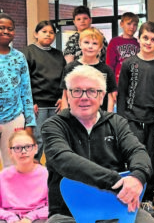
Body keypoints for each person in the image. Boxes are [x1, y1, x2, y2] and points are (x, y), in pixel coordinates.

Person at [40, 65, 154, 223]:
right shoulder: (54, 126)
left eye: (91, 91)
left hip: (120, 206)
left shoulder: (116, 122)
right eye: (77, 91)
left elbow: (138, 152)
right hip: (68, 215)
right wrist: (118, 182)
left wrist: (138, 176)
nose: (84, 97)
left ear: (102, 95)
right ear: (67, 95)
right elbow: (64, 160)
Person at [117, 21, 154, 216]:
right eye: (145, 38)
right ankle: (132, 194)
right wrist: (121, 120)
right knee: (132, 159)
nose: (148, 42)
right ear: (138, 39)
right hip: (131, 119)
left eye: (153, 39)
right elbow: (122, 93)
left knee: (151, 160)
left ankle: (148, 196)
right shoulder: (129, 64)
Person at [22, 20, 66, 160]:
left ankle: (52, 171)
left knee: (54, 138)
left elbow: (64, 77)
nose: (48, 35)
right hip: (37, 105)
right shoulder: (27, 53)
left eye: (51, 32)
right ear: (36, 34)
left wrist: (62, 97)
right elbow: (24, 80)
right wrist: (30, 102)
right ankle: (32, 168)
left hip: (56, 104)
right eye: (44, 32)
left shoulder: (59, 55)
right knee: (38, 139)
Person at [0, 130, 48, 223]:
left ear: (36, 148)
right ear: (10, 152)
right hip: (9, 220)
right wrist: (10, 218)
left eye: (28, 146)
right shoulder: (3, 175)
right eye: (17, 148)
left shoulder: (46, 174)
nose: (23, 151)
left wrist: (31, 217)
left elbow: (53, 205)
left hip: (38, 218)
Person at [0, 13, 36, 168]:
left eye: (10, 28)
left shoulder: (19, 57)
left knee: (13, 163)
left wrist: (30, 123)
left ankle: (11, 193)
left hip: (14, 117)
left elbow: (26, 91)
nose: (6, 31)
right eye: (1, 28)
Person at [60, 27, 117, 113]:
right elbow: (65, 96)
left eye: (95, 43)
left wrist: (109, 118)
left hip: (100, 118)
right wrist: (65, 117)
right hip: (75, 117)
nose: (90, 46)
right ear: (80, 44)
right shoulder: (70, 68)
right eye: (86, 42)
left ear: (100, 47)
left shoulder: (107, 70)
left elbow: (110, 97)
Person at [106, 12, 140, 84]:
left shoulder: (139, 43)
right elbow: (110, 64)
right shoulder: (114, 42)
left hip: (136, 82)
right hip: (119, 82)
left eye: (135, 25)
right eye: (129, 24)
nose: (132, 27)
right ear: (121, 24)